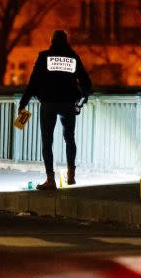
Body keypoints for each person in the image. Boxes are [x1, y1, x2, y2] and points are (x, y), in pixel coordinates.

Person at [19, 30, 92, 190]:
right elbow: (86, 82)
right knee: (69, 138)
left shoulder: (44, 57)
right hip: (68, 103)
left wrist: (23, 104)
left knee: (47, 141)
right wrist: (81, 100)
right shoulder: (73, 57)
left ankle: (50, 179)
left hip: (48, 103)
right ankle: (71, 175)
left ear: (51, 41)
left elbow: (32, 83)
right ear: (66, 41)